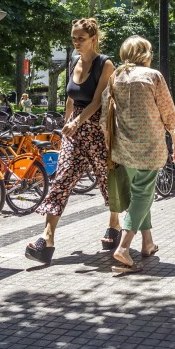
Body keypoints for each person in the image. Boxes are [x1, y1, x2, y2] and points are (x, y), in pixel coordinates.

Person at [25, 18, 117, 265]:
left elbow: (97, 100)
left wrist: (78, 122)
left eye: (81, 38)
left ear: (93, 38)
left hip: (97, 130)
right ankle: (47, 239)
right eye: (74, 38)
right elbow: (70, 98)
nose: (76, 42)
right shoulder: (74, 61)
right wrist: (67, 125)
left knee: (107, 180)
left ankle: (115, 224)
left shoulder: (105, 64)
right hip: (74, 132)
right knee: (62, 179)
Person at [102, 36, 175, 273]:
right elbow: (169, 114)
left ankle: (148, 243)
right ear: (145, 54)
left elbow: (105, 114)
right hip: (150, 145)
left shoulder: (116, 77)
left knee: (139, 194)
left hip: (124, 147)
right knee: (143, 195)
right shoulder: (152, 76)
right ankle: (124, 248)